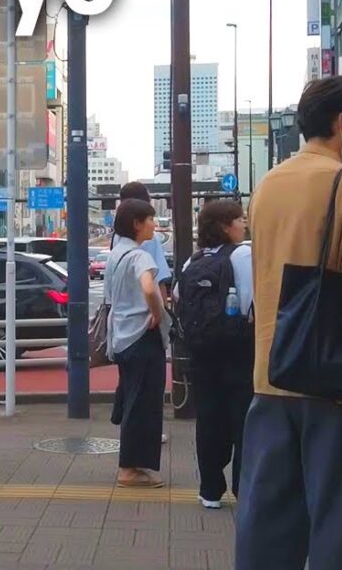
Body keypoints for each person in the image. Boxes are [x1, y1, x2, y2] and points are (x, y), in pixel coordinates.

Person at [238, 76, 342, 570]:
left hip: (271, 377)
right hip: (338, 383)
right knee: (341, 527)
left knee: (267, 524)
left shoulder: (267, 184)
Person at [175, 199, 252, 508]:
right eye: (240, 218)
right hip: (239, 349)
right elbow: (252, 300)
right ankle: (243, 488)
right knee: (244, 419)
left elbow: (180, 298)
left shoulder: (194, 261)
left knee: (209, 418)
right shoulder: (243, 254)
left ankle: (210, 490)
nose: (244, 223)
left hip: (202, 352)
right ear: (225, 226)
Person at [107, 198, 170, 489]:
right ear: (136, 223)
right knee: (144, 403)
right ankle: (130, 469)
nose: (154, 225)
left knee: (133, 398)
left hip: (121, 336)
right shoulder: (141, 256)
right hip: (142, 337)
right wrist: (157, 313)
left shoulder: (116, 253)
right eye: (150, 219)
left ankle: (131, 465)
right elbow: (149, 287)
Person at [114, 182, 173, 294]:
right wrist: (162, 310)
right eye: (151, 219)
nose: (154, 224)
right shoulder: (148, 240)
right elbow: (157, 281)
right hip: (144, 309)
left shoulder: (117, 238)